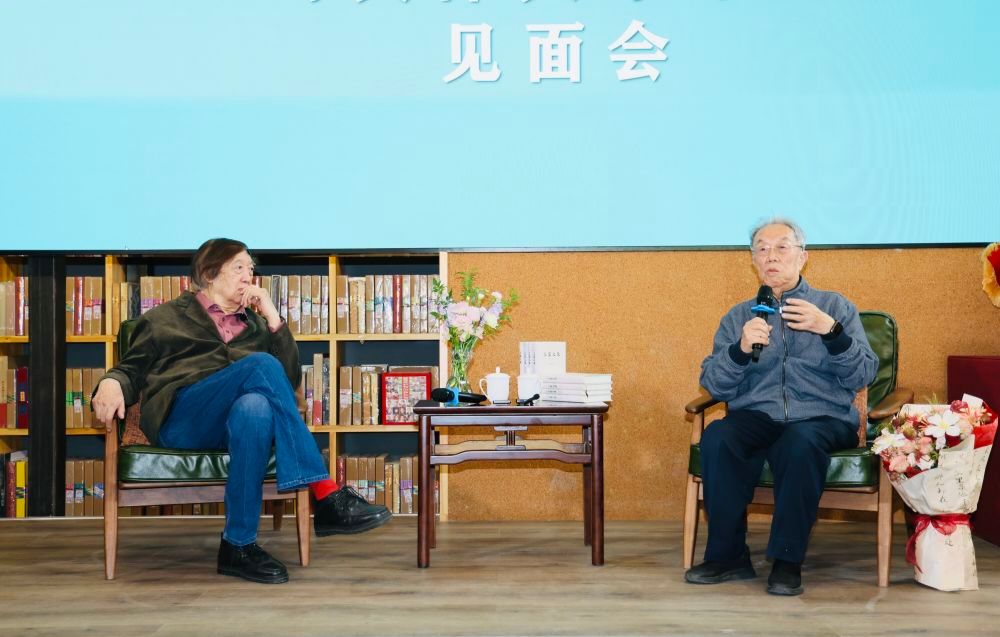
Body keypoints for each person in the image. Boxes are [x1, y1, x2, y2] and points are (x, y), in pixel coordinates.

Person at [92, 238, 391, 584]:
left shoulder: (257, 326)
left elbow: (287, 381)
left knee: (256, 407)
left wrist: (273, 318)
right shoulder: (164, 318)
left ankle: (238, 546)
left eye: (251, 269)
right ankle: (324, 492)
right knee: (260, 365)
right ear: (209, 273)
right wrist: (111, 382)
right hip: (184, 419)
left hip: (234, 424)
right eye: (239, 267)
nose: (249, 275)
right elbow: (131, 368)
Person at [685, 218, 877, 596]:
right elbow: (714, 384)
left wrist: (831, 332)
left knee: (799, 442)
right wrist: (740, 350)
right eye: (762, 249)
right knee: (719, 437)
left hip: (823, 416)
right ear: (753, 261)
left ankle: (787, 561)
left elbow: (863, 373)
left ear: (802, 257)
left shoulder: (834, 306)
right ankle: (728, 557)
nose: (771, 256)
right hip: (757, 415)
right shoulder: (739, 317)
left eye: (782, 247)